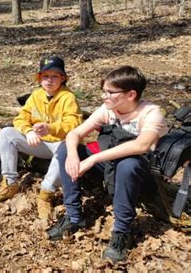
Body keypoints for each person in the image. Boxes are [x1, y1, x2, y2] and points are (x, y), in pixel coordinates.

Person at [47, 66, 167, 263]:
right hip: (110, 166)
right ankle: (74, 217)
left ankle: (122, 232)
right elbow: (74, 134)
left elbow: (142, 144)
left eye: (110, 92)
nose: (104, 96)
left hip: (142, 175)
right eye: (103, 91)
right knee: (64, 149)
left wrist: (93, 158)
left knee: (128, 164)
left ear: (131, 94)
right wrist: (71, 156)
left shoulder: (151, 113)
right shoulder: (108, 109)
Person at [0, 56, 82, 220]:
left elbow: (74, 124)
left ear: (63, 78)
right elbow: (20, 118)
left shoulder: (68, 98)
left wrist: (50, 128)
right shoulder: (36, 95)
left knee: (66, 147)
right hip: (40, 143)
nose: (49, 80)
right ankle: (10, 183)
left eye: (54, 76)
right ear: (39, 78)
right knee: (7, 133)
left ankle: (46, 193)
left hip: (60, 144)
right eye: (45, 76)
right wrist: (28, 131)